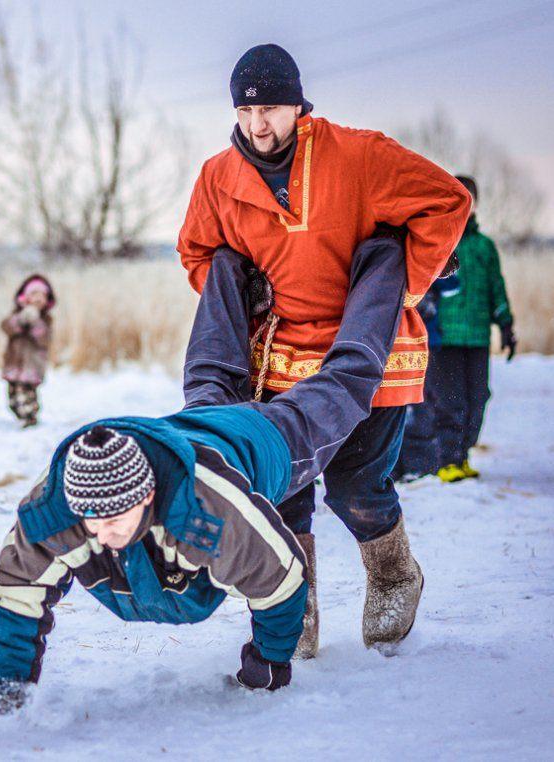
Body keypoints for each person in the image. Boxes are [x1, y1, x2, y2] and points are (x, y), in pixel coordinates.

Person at [0, 233, 408, 713]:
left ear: (147, 496)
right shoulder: (51, 513)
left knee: (343, 383)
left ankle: (385, 259)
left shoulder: (211, 506)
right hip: (192, 426)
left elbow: (282, 576)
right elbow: (18, 598)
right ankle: (232, 258)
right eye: (90, 519)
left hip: (265, 440)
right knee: (209, 372)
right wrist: (8, 693)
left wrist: (265, 666)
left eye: (114, 518)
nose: (101, 534)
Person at [176, 44, 471, 658]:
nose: (259, 124)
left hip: (369, 352)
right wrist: (239, 291)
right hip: (278, 358)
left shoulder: (358, 154)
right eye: (246, 110)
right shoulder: (217, 177)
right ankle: (292, 602)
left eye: (272, 108)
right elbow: (197, 251)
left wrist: (403, 287)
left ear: (298, 105)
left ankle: (394, 573)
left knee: (356, 485)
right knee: (281, 489)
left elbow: (448, 202)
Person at [434, 176, 515, 483]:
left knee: (478, 396)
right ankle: (447, 460)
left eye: (468, 199)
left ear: (475, 204)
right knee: (449, 400)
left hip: (478, 336)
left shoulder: (484, 247)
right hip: (445, 337)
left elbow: (497, 287)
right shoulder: (439, 240)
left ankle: (463, 454)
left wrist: (506, 324)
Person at [393, 274, 460, 482]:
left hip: (422, 341)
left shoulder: (426, 255)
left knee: (419, 403)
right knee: (395, 404)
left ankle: (418, 466)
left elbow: (453, 284)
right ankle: (396, 467)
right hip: (391, 341)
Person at [1, 275, 56, 428]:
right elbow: (6, 327)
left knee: (27, 396)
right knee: (13, 398)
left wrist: (35, 321)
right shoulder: (16, 315)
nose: (38, 298)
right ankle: (21, 414)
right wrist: (21, 319)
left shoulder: (46, 319)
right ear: (25, 297)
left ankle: (30, 418)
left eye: (42, 295)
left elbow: (43, 337)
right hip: (14, 363)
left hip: (32, 366)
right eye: (34, 294)